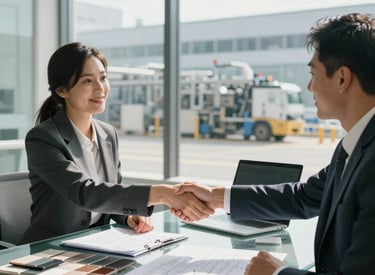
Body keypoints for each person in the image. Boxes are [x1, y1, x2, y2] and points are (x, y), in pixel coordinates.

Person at [173, 13, 375, 274]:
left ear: (341, 79)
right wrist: (216, 197)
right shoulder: (355, 145)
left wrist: (277, 273)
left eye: (313, 73)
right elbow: (302, 197)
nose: (309, 85)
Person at [20, 42, 213, 244]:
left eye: (103, 78)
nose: (100, 88)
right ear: (62, 90)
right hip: (50, 249)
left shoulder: (108, 134)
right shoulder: (43, 138)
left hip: (94, 245)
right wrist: (163, 194)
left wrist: (128, 217)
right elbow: (84, 192)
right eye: (87, 81)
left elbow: (110, 193)